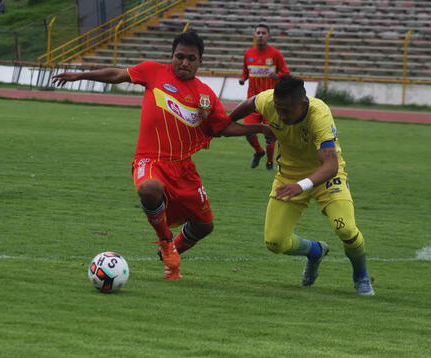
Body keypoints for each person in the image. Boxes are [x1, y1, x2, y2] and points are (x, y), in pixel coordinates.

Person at [52, 32, 273, 280]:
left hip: (183, 167)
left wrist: (259, 127)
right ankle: (166, 243)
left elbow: (220, 128)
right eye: (179, 57)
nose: (184, 63)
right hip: (150, 160)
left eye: (191, 58)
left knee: (205, 226)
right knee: (149, 189)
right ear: (171, 56)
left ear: (200, 61)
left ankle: (173, 248)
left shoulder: (205, 95)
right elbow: (116, 74)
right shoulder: (153, 71)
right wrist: (80, 75)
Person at [229, 76, 374, 296]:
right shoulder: (270, 102)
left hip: (325, 176)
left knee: (345, 229)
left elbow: (331, 164)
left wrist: (302, 185)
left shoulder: (319, 115)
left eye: (287, 110)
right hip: (288, 176)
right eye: (278, 109)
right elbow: (251, 103)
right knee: (274, 242)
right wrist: (239, 123)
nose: (281, 115)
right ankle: (315, 251)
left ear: (303, 104)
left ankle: (361, 276)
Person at [239, 24, 289, 170]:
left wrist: (278, 76)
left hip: (271, 102)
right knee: (247, 131)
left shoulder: (275, 54)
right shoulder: (248, 54)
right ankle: (259, 152)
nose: (261, 35)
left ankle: (269, 162)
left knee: (271, 135)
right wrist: (243, 79)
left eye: (264, 33)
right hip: (252, 103)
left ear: (268, 36)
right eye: (258, 32)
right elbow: (245, 72)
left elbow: (286, 73)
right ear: (254, 35)